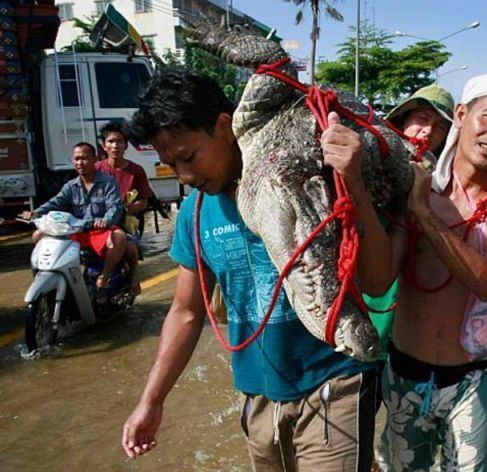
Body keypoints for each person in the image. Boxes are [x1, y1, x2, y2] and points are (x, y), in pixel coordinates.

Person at [121, 68, 377, 471]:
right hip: (257, 394)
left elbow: (380, 274)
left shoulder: (308, 180)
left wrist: (354, 180)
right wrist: (151, 401)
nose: (186, 177)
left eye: (189, 157)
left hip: (334, 380)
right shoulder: (194, 213)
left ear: (225, 126)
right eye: (173, 166)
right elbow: (186, 313)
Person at [328, 72, 487, 470]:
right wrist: (355, 184)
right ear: (461, 115)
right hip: (404, 375)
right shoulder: (413, 189)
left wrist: (425, 214)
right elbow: (376, 281)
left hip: (475, 379)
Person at [366, 84, 454, 377]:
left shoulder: (441, 185)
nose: (429, 132)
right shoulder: (370, 160)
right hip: (366, 286)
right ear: (403, 120)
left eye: (441, 127)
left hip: (403, 303)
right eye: (423, 119)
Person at [19, 142, 125, 296]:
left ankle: (104, 277)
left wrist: (105, 221)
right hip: (77, 231)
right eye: (76, 159)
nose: (80, 163)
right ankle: (44, 276)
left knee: (119, 237)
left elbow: (114, 208)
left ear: (94, 159)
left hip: (100, 231)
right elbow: (55, 202)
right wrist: (34, 213)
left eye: (84, 158)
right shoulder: (70, 185)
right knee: (38, 235)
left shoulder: (108, 182)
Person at [96, 122, 153, 294]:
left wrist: (129, 207)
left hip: (124, 223)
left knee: (130, 249)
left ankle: (134, 277)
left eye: (119, 141)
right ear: (103, 145)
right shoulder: (96, 169)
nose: (115, 146)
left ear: (126, 145)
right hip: (99, 223)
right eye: (111, 141)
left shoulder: (136, 171)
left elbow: (145, 201)